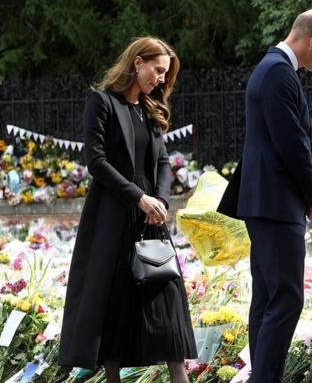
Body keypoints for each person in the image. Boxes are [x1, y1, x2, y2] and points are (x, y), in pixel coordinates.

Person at [59, 37, 196, 383]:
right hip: (113, 216)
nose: (161, 79)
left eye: (165, 74)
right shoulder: (101, 102)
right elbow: (97, 161)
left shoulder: (149, 109)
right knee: (115, 301)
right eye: (158, 70)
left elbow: (163, 162)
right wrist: (138, 197)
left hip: (151, 216)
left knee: (167, 300)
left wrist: (161, 201)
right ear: (137, 63)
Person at [237, 9, 312, 381]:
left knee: (267, 299)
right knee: (285, 299)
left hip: (266, 202)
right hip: (277, 203)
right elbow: (292, 143)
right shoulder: (278, 71)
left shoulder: (272, 67)